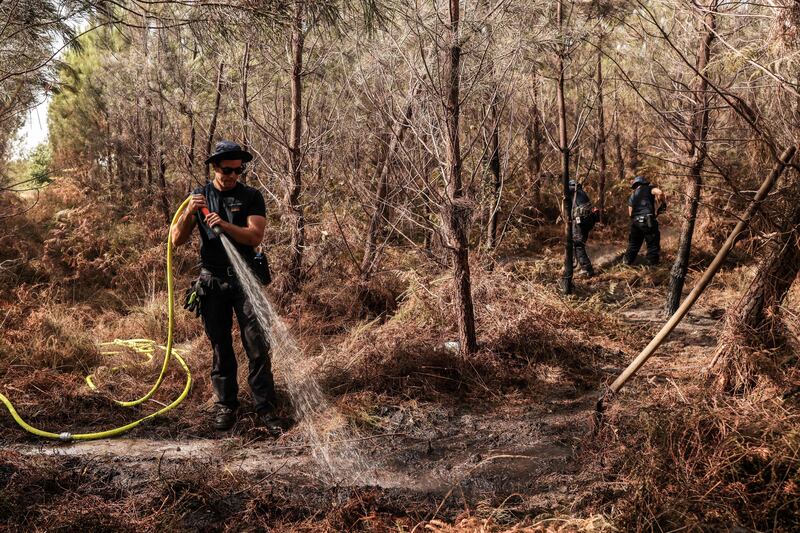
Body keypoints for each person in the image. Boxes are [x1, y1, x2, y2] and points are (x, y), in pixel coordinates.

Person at [171, 140, 281, 434]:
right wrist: (189, 214)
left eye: (238, 170)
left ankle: (266, 408)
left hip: (245, 280)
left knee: (257, 344)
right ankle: (226, 407)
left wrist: (225, 225)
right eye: (227, 170)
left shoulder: (252, 196)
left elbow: (254, 237)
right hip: (212, 281)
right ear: (214, 167)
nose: (232, 175)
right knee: (220, 346)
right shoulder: (199, 197)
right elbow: (176, 240)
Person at [623, 175, 667, 266]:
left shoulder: (633, 195)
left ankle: (625, 263)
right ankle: (653, 267)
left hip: (636, 223)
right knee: (652, 244)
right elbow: (660, 193)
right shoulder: (649, 188)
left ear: (635, 185)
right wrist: (663, 204)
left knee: (633, 245)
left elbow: (630, 213)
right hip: (648, 221)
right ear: (644, 183)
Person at [570, 179, 600, 277]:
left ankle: (587, 269)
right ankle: (576, 264)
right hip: (587, 221)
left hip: (581, 222)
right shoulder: (582, 193)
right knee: (577, 243)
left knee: (578, 244)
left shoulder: (573, 191)